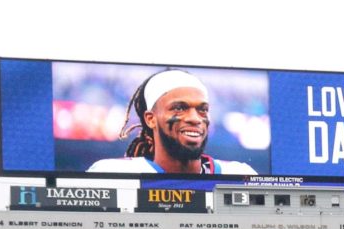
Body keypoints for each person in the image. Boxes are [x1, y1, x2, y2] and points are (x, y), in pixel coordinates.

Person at [87, 70, 258, 176]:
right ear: (150, 119)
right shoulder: (112, 174)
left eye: (202, 109)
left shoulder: (238, 175)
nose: (194, 118)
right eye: (179, 108)